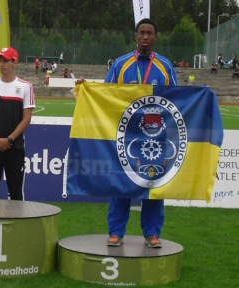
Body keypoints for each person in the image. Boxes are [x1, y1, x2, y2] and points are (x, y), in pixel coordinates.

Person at [75, 18, 177, 248]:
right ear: (135, 35)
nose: (145, 37)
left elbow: (175, 102)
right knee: (120, 183)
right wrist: (88, 88)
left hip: (155, 138)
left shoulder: (165, 66)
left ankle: (151, 233)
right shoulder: (121, 64)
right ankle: (116, 231)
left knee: (153, 184)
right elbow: (107, 96)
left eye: (150, 33)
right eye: (142, 32)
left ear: (156, 37)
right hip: (126, 136)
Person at [0, 47, 35, 200]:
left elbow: (27, 118)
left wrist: (9, 140)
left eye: (5, 61)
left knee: (15, 193)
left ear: (14, 63)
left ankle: (15, 224)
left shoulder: (25, 86)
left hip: (15, 148)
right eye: (0, 61)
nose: (1, 64)